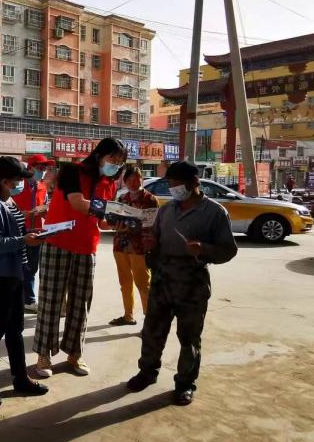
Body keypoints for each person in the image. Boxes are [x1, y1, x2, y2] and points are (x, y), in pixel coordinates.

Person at [126, 160, 238, 406]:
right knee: (153, 331)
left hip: (192, 282)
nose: (173, 189)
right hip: (162, 279)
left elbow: (228, 250)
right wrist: (150, 246)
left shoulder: (215, 213)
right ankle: (147, 372)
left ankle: (185, 383)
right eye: (170, 184)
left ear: (194, 183)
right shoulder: (166, 210)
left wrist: (204, 249)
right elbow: (155, 240)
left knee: (189, 337)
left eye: (176, 184)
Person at [33, 138, 128, 378]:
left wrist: (119, 223)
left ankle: (75, 354)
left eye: (120, 162)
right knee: (51, 301)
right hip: (58, 243)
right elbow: (77, 203)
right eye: (113, 159)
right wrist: (110, 209)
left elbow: (102, 222)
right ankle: (44, 355)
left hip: (87, 247)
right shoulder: (72, 171)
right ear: (99, 155)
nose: (116, 165)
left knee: (81, 304)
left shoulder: (109, 184)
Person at [0, 156, 49, 407]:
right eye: (18, 181)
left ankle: (20, 378)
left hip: (13, 274)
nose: (21, 185)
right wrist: (23, 240)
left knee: (15, 330)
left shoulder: (8, 201)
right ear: (5, 181)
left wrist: (31, 234)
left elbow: (15, 231)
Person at [109, 165, 158, 327]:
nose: (133, 183)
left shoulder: (150, 199)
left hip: (139, 248)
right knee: (124, 282)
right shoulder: (122, 199)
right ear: (125, 182)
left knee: (143, 283)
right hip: (120, 246)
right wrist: (114, 224)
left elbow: (152, 225)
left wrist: (133, 227)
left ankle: (149, 321)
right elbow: (113, 220)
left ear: (141, 180)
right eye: (129, 180)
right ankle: (128, 315)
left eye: (136, 179)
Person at [13, 154, 53, 313]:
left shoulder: (43, 187)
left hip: (36, 233)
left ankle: (27, 299)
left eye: (45, 168)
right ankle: (27, 299)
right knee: (19, 267)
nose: (43, 171)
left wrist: (44, 209)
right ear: (30, 168)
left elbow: (46, 207)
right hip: (18, 232)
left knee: (32, 268)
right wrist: (21, 214)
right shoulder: (18, 186)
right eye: (40, 168)